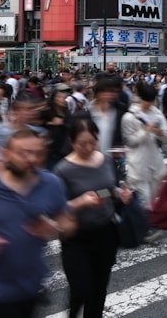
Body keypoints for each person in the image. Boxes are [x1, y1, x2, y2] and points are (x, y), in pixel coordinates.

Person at [0, 128, 75, 318]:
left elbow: (68, 223)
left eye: (37, 153)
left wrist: (55, 228)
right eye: (23, 153)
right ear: (5, 153)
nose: (31, 159)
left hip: (31, 286)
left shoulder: (51, 184)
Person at [54, 119, 133, 318]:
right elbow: (54, 209)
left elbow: (108, 189)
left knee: (99, 288)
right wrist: (80, 202)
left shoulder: (105, 159)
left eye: (93, 142)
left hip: (105, 232)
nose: (89, 147)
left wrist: (119, 194)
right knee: (81, 289)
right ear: (71, 142)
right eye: (82, 144)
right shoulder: (62, 170)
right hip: (76, 236)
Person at [121, 82, 167, 211]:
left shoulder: (157, 113)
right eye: (148, 100)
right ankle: (141, 224)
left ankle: (148, 222)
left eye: (152, 100)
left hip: (154, 159)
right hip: (138, 162)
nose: (151, 104)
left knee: (155, 195)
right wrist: (145, 131)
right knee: (143, 199)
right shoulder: (129, 117)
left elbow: (166, 135)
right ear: (141, 98)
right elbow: (130, 141)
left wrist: (159, 132)